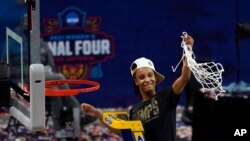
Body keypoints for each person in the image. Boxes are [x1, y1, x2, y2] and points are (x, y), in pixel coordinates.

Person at [80, 34, 194, 141]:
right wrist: (97, 113)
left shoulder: (167, 96)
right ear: (136, 82)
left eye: (150, 75)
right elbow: (124, 131)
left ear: (155, 78)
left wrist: (188, 51)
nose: (147, 80)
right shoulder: (134, 110)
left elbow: (184, 77)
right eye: (142, 77)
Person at [40, 39, 81, 138]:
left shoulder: (43, 45)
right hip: (29, 79)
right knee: (60, 77)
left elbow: (51, 64)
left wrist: (47, 71)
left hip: (45, 78)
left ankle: (57, 127)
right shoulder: (21, 45)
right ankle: (75, 106)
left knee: (56, 92)